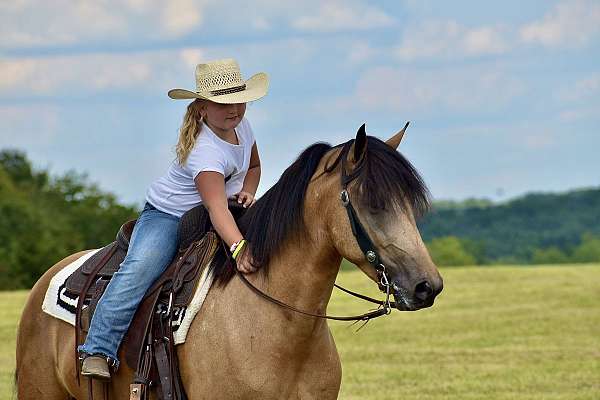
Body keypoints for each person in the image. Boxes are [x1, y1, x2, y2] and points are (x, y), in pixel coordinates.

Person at [79, 58, 268, 379]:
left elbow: (252, 167)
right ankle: (98, 348)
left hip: (226, 207)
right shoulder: (205, 150)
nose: (234, 108)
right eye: (222, 103)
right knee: (142, 267)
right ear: (202, 109)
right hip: (170, 215)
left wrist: (249, 192)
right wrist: (238, 248)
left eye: (239, 99)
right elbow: (215, 209)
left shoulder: (242, 127)